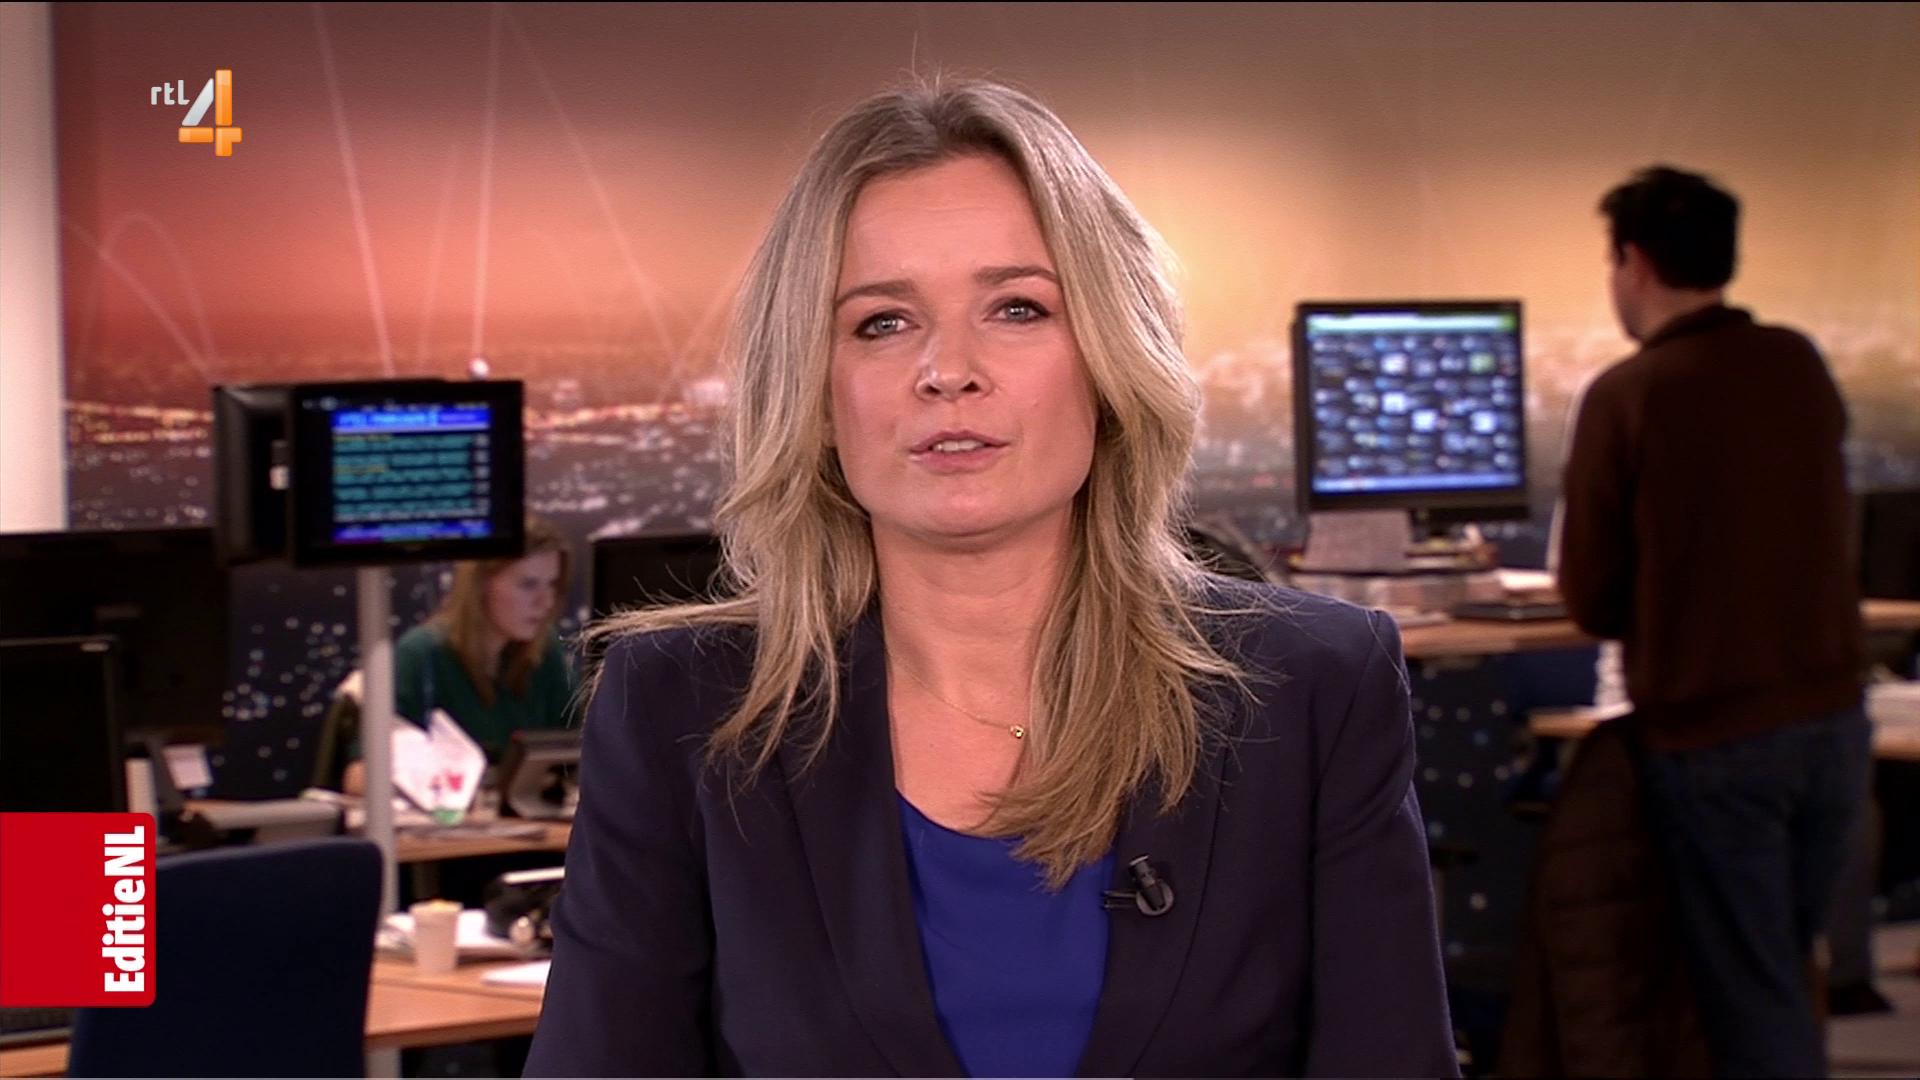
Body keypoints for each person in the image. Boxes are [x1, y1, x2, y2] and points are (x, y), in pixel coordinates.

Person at [524, 77, 1455, 1077]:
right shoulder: (679, 708)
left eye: (1017, 308)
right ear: (816, 391)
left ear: (1108, 361)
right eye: (882, 322)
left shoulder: (1312, 688)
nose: (948, 369)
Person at [1557, 164, 1870, 1077]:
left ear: (1635, 262)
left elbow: (1593, 599)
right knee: (1784, 971)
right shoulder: (1798, 363)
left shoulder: (1630, 394)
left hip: (1714, 738)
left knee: (1748, 993)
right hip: (1834, 726)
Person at [339, 514, 579, 793]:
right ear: (481, 584)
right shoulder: (421, 655)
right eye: (528, 585)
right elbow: (360, 778)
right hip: (447, 818)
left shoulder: (544, 652)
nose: (545, 602)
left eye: (552, 585)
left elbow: (580, 753)